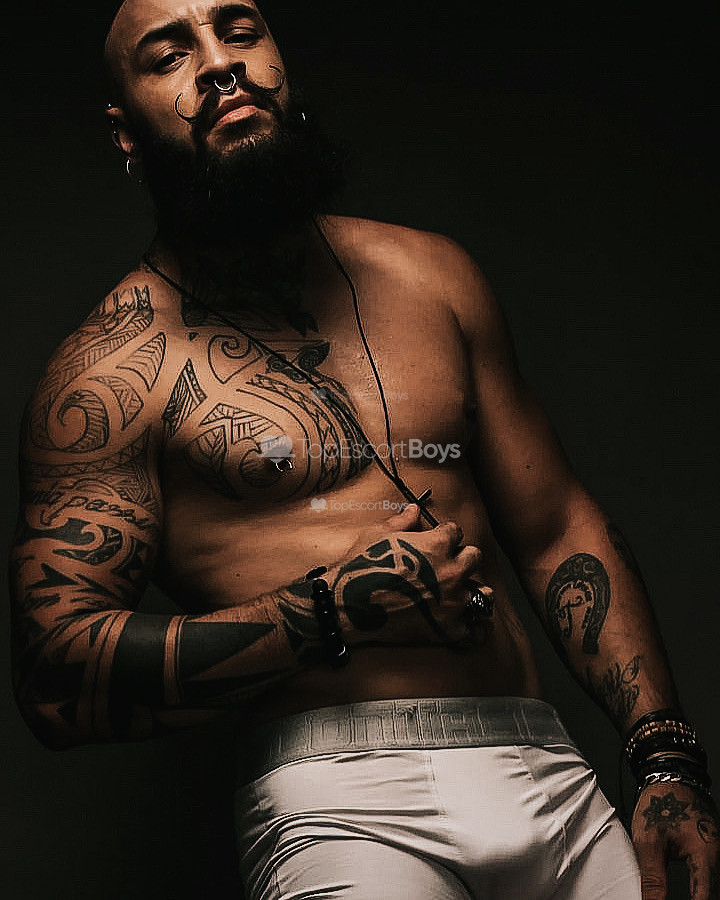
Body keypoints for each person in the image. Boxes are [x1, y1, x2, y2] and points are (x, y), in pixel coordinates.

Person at [9, 1, 719, 897]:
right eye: (170, 55)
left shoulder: (432, 275)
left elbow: (554, 528)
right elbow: (56, 675)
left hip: (545, 769)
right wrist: (327, 610)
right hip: (341, 800)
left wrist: (664, 756)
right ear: (125, 131)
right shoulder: (110, 374)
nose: (220, 63)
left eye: (239, 30)